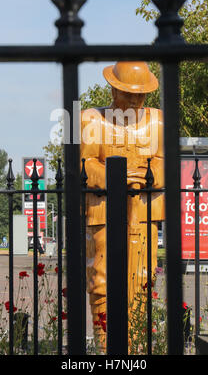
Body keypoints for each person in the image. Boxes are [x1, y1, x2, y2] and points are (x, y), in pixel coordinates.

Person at [80, 61, 164, 348]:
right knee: (101, 280)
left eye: (141, 95)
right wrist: (112, 177)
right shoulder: (90, 120)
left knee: (142, 280)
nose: (136, 101)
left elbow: (166, 163)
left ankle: (137, 347)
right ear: (114, 90)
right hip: (102, 212)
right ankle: (108, 347)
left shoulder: (158, 122)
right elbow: (84, 163)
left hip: (144, 213)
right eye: (129, 94)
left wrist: (147, 174)